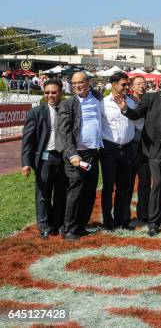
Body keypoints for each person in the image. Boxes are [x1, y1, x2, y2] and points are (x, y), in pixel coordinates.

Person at [116, 69, 161, 237]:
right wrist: (125, 109)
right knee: (157, 184)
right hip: (157, 149)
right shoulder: (152, 97)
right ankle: (153, 222)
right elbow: (136, 114)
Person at [56, 72, 104, 241]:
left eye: (80, 82)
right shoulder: (67, 104)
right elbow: (65, 132)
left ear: (88, 83)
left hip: (93, 152)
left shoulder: (97, 98)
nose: (77, 86)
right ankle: (69, 229)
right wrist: (72, 153)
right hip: (76, 155)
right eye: (74, 83)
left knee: (90, 191)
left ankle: (82, 226)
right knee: (75, 191)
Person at [21, 79, 68, 239]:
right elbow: (28, 140)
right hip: (45, 159)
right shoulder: (36, 112)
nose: (50, 95)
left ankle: (58, 224)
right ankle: (44, 226)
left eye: (54, 92)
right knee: (43, 194)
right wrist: (26, 163)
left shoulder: (67, 109)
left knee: (61, 194)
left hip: (63, 158)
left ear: (61, 93)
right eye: (47, 92)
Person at [100, 72, 136, 230]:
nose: (127, 87)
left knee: (125, 186)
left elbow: (138, 121)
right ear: (113, 84)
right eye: (124, 84)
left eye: (128, 84)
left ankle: (122, 219)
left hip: (127, 148)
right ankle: (108, 220)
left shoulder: (132, 103)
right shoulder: (102, 103)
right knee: (108, 187)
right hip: (109, 149)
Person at [126, 76, 149, 227]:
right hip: (130, 145)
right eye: (138, 84)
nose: (141, 86)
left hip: (146, 146)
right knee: (127, 182)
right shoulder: (126, 100)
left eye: (144, 84)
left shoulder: (149, 99)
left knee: (145, 182)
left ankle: (143, 214)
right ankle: (124, 216)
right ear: (132, 86)